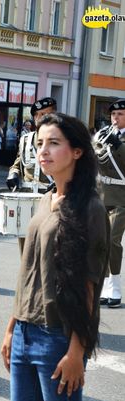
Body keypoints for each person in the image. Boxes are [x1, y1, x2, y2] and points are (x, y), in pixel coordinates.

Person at [1, 113, 110, 401]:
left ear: (77, 151)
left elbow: (89, 285)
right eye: (39, 143)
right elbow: (27, 272)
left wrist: (77, 351)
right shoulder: (45, 199)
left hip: (58, 336)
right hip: (24, 332)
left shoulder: (91, 208)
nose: (43, 151)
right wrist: (12, 329)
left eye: (53, 143)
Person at [7, 97, 57, 254]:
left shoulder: (62, 139)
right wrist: (13, 174)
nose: (42, 118)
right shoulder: (25, 139)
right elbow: (18, 162)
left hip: (51, 197)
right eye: (39, 114)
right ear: (34, 117)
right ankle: (27, 276)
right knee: (26, 241)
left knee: (48, 243)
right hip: (27, 197)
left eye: (46, 114)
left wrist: (60, 183)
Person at [95, 99, 125, 308]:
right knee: (100, 241)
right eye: (114, 115)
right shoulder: (103, 134)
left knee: (112, 240)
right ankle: (105, 284)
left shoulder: (117, 139)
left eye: (121, 114)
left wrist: (119, 145)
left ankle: (115, 284)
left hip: (122, 196)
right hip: (101, 195)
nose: (116, 118)